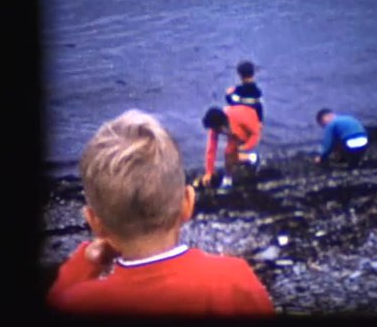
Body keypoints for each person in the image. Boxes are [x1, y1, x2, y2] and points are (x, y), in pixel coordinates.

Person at [47, 109, 274, 316]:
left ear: (95, 223)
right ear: (187, 204)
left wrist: (87, 261)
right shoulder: (233, 280)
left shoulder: (81, 302)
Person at [201, 105, 261, 192]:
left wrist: (245, 147)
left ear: (221, 125)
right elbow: (211, 149)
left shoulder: (240, 118)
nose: (214, 132)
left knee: (229, 154)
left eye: (216, 129)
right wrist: (209, 172)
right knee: (230, 154)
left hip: (249, 126)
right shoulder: (215, 127)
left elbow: (256, 133)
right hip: (233, 133)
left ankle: (227, 180)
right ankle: (252, 157)